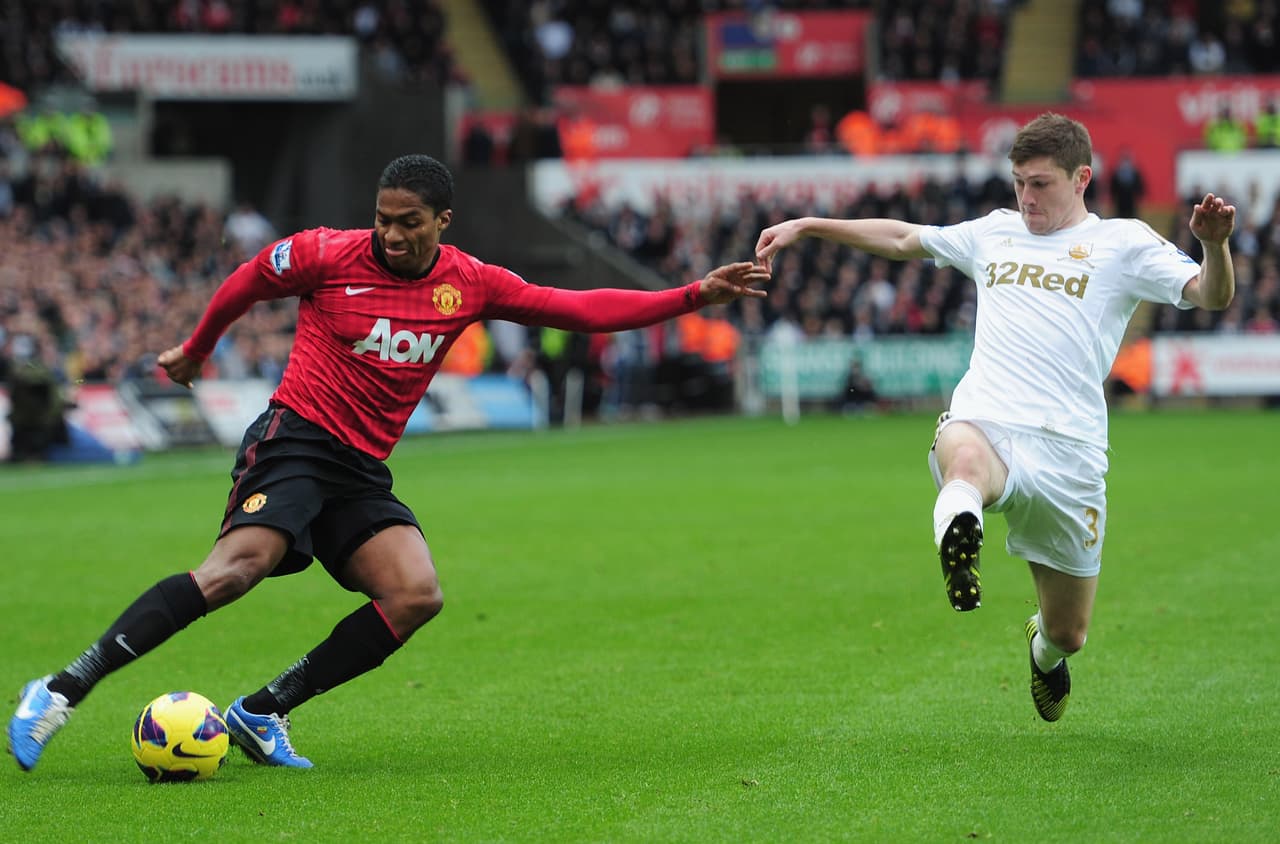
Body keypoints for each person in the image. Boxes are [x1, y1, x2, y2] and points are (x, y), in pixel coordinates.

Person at [8, 154, 771, 772]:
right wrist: (198, 348)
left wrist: (689, 296)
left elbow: (575, 308)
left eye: (409, 222)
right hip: (296, 438)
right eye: (383, 218)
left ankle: (263, 711)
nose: (392, 234)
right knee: (237, 569)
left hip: (360, 468)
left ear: (442, 221)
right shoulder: (325, 254)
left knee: (415, 594)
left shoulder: (469, 283)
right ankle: (61, 689)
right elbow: (249, 280)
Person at [754, 113, 1235, 722]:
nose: (1027, 197)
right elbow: (903, 239)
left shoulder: (1125, 243)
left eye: (1041, 184)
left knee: (1070, 632)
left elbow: (1211, 295)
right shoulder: (994, 232)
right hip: (988, 419)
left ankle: (1042, 650)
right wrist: (808, 225)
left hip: (1070, 452)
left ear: (1081, 178)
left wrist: (1214, 245)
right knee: (964, 456)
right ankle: (960, 526)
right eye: (1019, 183)